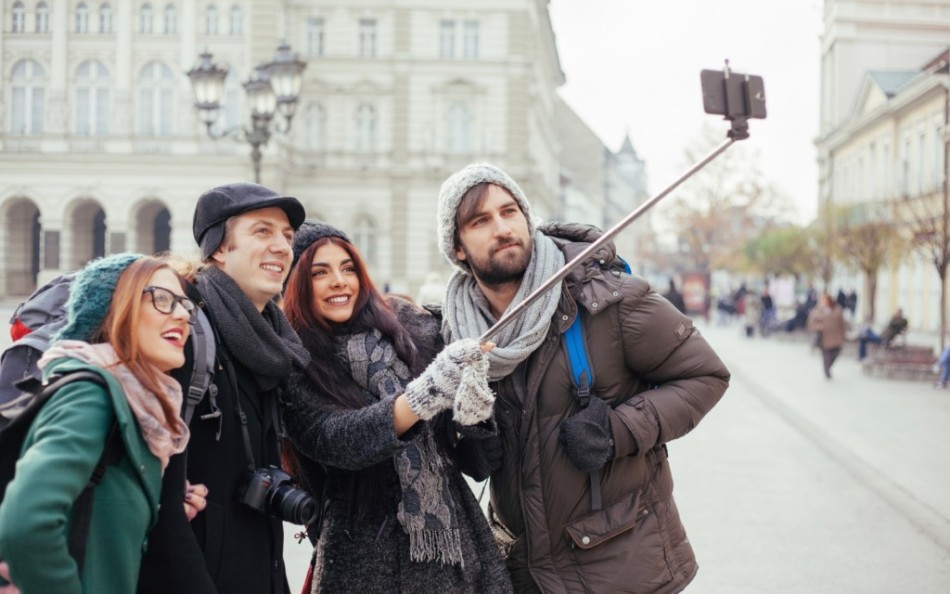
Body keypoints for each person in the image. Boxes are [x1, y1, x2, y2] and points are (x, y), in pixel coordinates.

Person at [436, 163, 731, 593]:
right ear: (458, 247)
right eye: (480, 221)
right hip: (525, 572)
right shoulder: (457, 334)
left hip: (621, 566)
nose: (502, 227)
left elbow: (706, 374)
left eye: (510, 211)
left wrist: (618, 429)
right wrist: (469, 444)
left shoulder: (609, 300)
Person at [280, 221, 512, 593]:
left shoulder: (413, 332)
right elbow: (340, 439)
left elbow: (478, 464)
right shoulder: (295, 365)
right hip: (361, 558)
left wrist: (473, 413)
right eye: (319, 273)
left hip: (460, 555)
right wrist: (427, 393)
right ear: (294, 286)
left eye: (348, 267)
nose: (339, 281)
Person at [140, 182, 311, 594]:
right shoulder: (185, 329)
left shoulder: (272, 339)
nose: (282, 247)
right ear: (219, 247)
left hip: (258, 566)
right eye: (262, 232)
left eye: (287, 237)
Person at [0, 254, 193, 593]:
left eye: (183, 303)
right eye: (162, 299)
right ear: (114, 310)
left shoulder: (134, 400)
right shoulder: (91, 393)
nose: (182, 314)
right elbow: (25, 523)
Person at [806, 293, 847, 379]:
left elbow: (842, 323)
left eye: (824, 300)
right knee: (826, 355)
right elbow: (810, 324)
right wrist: (818, 327)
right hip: (824, 337)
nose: (823, 302)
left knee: (836, 352)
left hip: (836, 336)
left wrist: (843, 334)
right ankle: (826, 370)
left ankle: (828, 367)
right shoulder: (817, 311)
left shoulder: (837, 309)